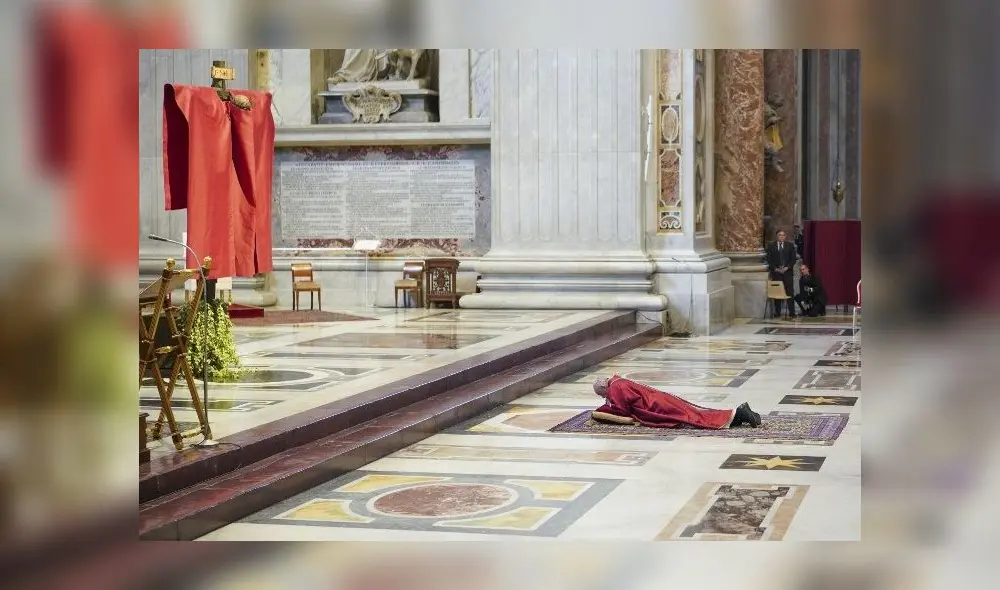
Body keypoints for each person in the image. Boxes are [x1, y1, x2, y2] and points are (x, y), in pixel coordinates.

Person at [591, 376, 761, 429]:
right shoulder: (618, 381)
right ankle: (740, 415)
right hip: (660, 400)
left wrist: (603, 409)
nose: (604, 397)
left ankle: (740, 413)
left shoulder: (615, 388)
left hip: (656, 406)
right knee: (695, 413)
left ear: (604, 388)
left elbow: (622, 411)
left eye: (602, 395)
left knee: (694, 418)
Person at [765, 229, 798, 318]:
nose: (782, 237)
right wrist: (775, 269)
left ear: (785, 236)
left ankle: (792, 312)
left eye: (783, 235)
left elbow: (793, 259)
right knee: (777, 292)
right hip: (776, 273)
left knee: (790, 292)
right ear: (777, 236)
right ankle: (777, 312)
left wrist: (787, 267)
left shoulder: (790, 246)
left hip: (788, 273)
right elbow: (769, 259)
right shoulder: (771, 246)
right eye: (780, 235)